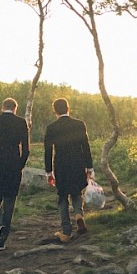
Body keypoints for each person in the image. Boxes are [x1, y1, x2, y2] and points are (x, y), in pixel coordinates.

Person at [0, 97, 30, 250]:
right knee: (10, 199)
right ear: (15, 108)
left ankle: (0, 224)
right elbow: (27, 150)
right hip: (14, 164)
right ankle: (2, 238)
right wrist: (19, 166)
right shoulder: (21, 122)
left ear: (2, 107)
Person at [43, 97, 94, 243]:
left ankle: (66, 231)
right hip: (78, 163)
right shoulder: (79, 124)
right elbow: (86, 147)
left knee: (62, 196)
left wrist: (49, 172)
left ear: (55, 111)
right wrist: (89, 167)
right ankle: (78, 214)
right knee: (77, 192)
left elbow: (48, 151)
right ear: (68, 108)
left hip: (61, 165)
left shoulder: (51, 128)